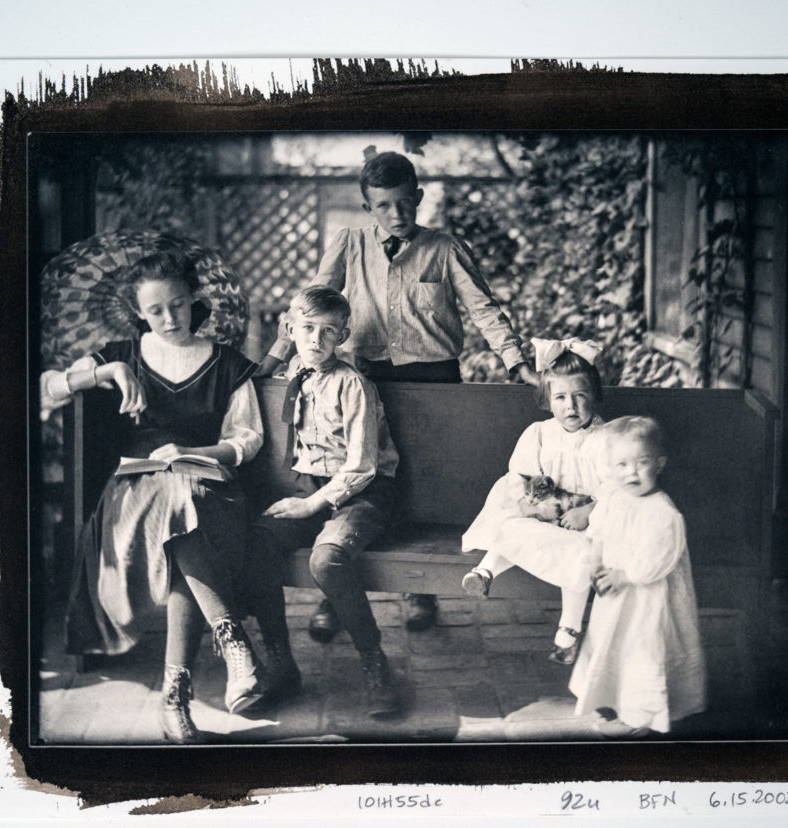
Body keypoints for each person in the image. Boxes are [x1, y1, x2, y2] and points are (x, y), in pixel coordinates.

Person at [258, 150, 538, 637]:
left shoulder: (446, 248)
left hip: (434, 381)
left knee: (419, 479)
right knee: (359, 477)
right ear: (368, 207)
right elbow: (313, 302)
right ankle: (335, 592)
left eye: (405, 203)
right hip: (367, 375)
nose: (396, 215)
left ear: (419, 198)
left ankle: (419, 588)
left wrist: (517, 362)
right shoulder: (348, 243)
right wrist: (274, 361)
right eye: (383, 205)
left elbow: (484, 309)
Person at [45, 251, 267, 744]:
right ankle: (229, 641)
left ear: (194, 302)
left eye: (179, 305)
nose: (170, 318)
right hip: (135, 497)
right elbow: (49, 387)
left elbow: (247, 439)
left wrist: (193, 451)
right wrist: (109, 373)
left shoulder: (228, 364)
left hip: (209, 488)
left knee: (187, 511)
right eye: (156, 311)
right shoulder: (120, 353)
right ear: (140, 313)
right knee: (178, 511)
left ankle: (175, 703)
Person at [249, 285, 402, 719]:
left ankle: (374, 661)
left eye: (329, 332)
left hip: (362, 492)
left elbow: (362, 467)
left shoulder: (353, 385)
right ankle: (280, 662)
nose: (316, 340)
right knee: (258, 544)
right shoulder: (295, 372)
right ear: (289, 329)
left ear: (343, 335)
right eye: (308, 329)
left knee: (326, 560)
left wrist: (310, 505)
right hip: (309, 486)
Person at [460, 338, 608, 664]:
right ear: (547, 401)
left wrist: (590, 511)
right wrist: (532, 506)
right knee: (510, 524)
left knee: (581, 556)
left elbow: (616, 490)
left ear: (594, 396)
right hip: (545, 516)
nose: (571, 406)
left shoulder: (606, 439)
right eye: (561, 397)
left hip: (584, 524)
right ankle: (484, 572)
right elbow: (519, 477)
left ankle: (568, 630)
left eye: (580, 396)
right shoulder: (540, 433)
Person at [569, 416, 707, 737]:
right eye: (622, 464)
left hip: (648, 597)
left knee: (642, 648)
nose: (631, 472)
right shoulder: (614, 498)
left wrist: (626, 575)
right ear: (611, 466)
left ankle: (642, 714)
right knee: (612, 640)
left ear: (659, 464)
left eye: (641, 462)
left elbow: (657, 561)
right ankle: (613, 697)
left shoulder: (663, 513)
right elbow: (598, 533)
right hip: (616, 593)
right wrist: (594, 562)